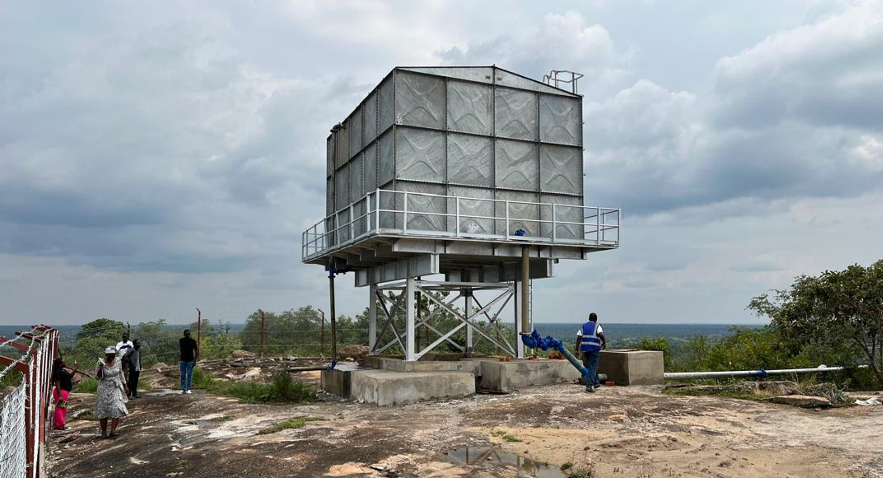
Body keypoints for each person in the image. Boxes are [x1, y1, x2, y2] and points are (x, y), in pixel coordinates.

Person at [94, 346, 129, 438]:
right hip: (104, 388)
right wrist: (101, 367)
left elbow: (121, 373)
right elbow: (97, 377)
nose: (111, 358)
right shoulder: (100, 362)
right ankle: (103, 432)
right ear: (106, 355)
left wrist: (125, 385)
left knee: (116, 407)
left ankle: (113, 430)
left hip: (115, 387)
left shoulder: (118, 361)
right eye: (109, 356)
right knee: (103, 410)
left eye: (112, 356)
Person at [575, 312, 606, 393]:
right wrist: (604, 342)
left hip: (584, 349)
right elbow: (601, 334)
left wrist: (576, 349)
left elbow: (578, 337)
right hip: (594, 349)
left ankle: (596, 383)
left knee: (592, 366)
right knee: (593, 366)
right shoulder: (597, 326)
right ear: (596, 319)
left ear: (589, 319)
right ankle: (589, 386)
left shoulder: (584, 326)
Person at [51, 358, 78, 430]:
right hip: (61, 392)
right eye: (64, 362)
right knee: (60, 408)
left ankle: (58, 424)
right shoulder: (58, 372)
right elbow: (57, 384)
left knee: (62, 407)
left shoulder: (63, 370)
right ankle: (60, 425)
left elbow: (70, 376)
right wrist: (60, 395)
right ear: (60, 364)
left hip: (64, 392)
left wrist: (75, 369)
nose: (65, 363)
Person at [179, 329, 198, 394]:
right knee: (183, 374)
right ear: (184, 334)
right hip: (183, 360)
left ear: (190, 334)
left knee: (189, 374)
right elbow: (181, 350)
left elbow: (196, 351)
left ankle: (188, 388)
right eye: (186, 334)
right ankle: (183, 388)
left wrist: (195, 361)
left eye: (188, 334)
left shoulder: (193, 341)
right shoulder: (181, 340)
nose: (187, 335)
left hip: (190, 360)